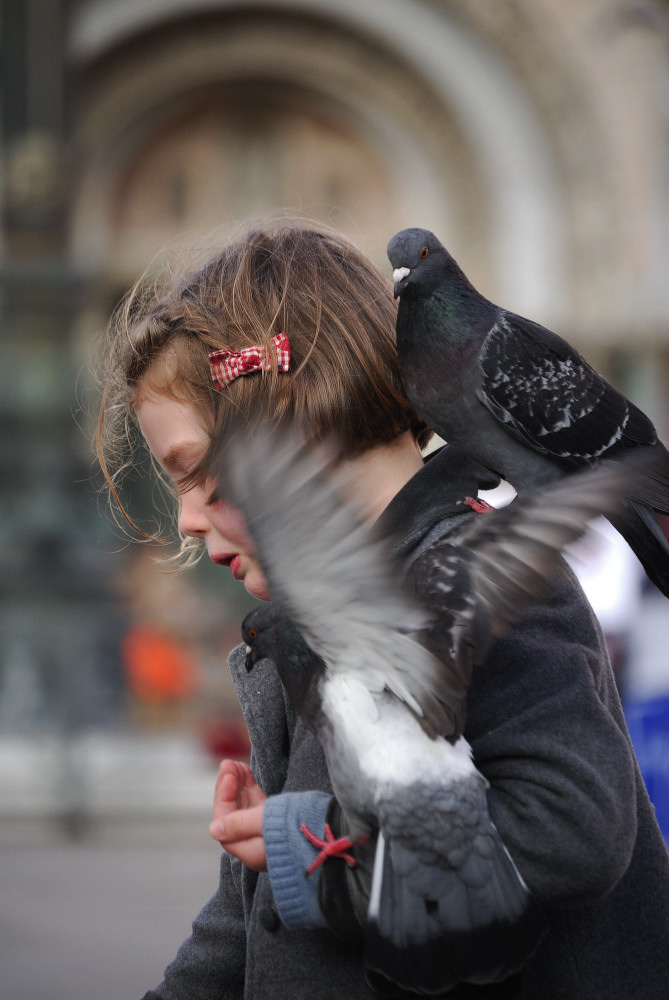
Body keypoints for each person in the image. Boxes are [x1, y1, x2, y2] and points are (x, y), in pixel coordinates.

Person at [95, 219, 669, 999]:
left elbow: (571, 833)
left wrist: (315, 852)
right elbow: (247, 924)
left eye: (199, 476)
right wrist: (283, 845)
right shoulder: (309, 625)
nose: (188, 520)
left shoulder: (489, 583)